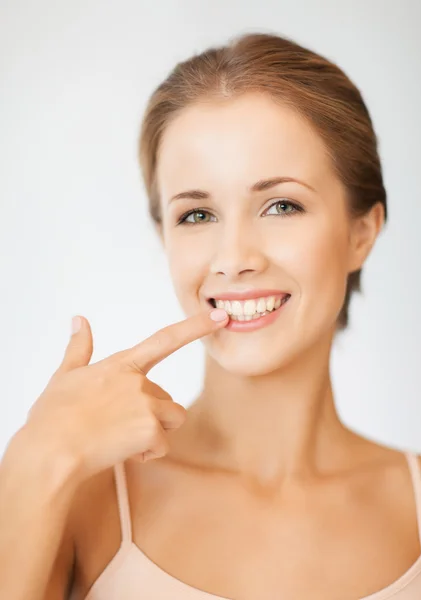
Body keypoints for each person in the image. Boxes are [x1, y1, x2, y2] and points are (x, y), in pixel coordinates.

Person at [1, 30, 420, 600]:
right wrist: (34, 459)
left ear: (361, 232)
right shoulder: (79, 498)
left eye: (281, 205)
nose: (234, 260)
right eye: (197, 215)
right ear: (164, 237)